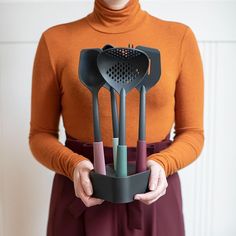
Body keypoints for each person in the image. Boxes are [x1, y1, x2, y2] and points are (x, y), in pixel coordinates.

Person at [28, 0, 204, 235]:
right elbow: (40, 135)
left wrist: (164, 163)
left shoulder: (179, 37)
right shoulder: (55, 40)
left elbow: (193, 133)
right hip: (82, 188)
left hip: (154, 191)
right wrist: (73, 165)